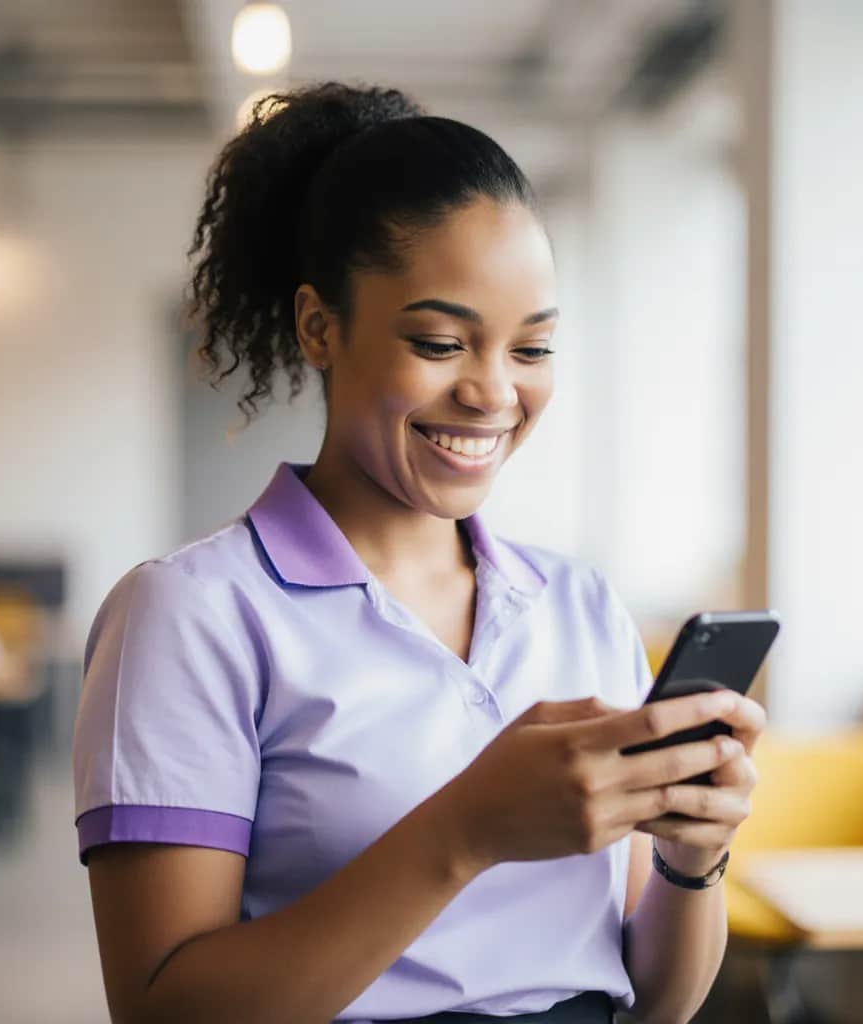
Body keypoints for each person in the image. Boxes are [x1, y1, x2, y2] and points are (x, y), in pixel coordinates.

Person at [72, 81, 766, 1024]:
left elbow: (653, 1003)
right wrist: (466, 829)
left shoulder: (579, 606)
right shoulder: (190, 614)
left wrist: (693, 860)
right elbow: (164, 1011)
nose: (492, 393)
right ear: (319, 326)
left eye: (533, 349)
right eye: (441, 342)